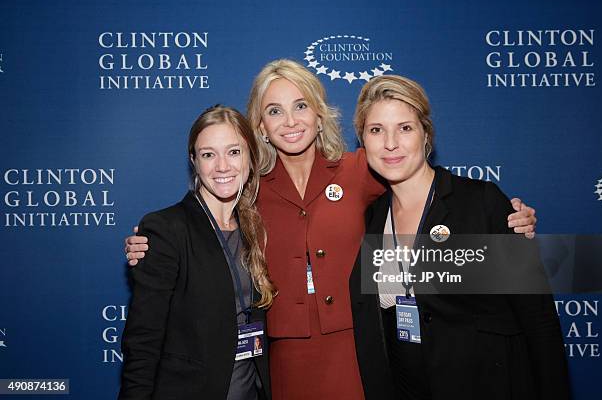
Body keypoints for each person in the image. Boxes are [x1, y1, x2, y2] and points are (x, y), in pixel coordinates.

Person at [124, 59, 537, 399]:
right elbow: (207, 231)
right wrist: (150, 245)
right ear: (260, 128)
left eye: (300, 105)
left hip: (359, 356)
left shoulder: (360, 170)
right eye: (274, 111)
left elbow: (423, 188)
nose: (290, 121)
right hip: (283, 366)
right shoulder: (248, 190)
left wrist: (501, 215)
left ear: (320, 113)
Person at [349, 75, 570, 399]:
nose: (390, 143)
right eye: (376, 130)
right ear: (363, 140)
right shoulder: (372, 217)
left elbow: (540, 321)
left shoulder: (482, 202)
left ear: (426, 134)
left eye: (405, 128)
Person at [119, 105, 275, 400]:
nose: (222, 166)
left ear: (252, 158)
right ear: (194, 162)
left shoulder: (257, 227)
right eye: (208, 154)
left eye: (233, 152)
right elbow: (143, 340)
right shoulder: (166, 228)